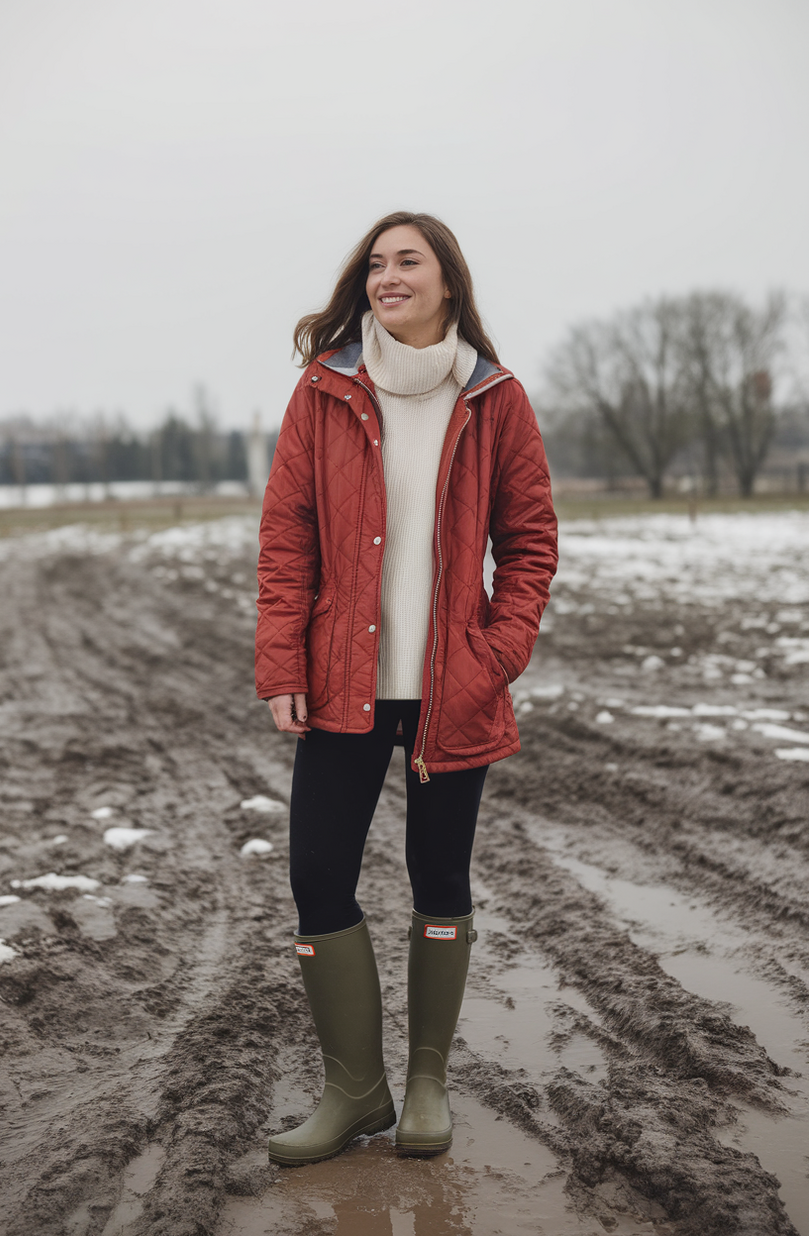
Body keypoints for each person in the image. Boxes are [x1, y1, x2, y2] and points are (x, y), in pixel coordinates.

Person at [255, 211, 557, 1166]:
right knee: (317, 880)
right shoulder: (325, 390)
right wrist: (282, 666)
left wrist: (493, 654)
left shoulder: (496, 397)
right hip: (341, 683)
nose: (388, 277)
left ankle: (426, 1085)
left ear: (448, 284)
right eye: (376, 265)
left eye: (407, 262)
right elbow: (286, 539)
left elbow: (532, 544)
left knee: (440, 881)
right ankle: (356, 1090)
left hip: (449, 688)